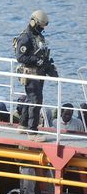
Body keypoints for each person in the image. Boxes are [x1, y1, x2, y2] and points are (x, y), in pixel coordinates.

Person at [14, 10, 58, 142]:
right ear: (34, 22)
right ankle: (32, 132)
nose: (42, 28)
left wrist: (49, 67)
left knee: (30, 100)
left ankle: (23, 125)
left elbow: (42, 55)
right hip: (31, 74)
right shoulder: (25, 37)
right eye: (41, 25)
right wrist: (36, 60)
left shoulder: (37, 36)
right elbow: (20, 56)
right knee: (35, 101)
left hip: (39, 73)